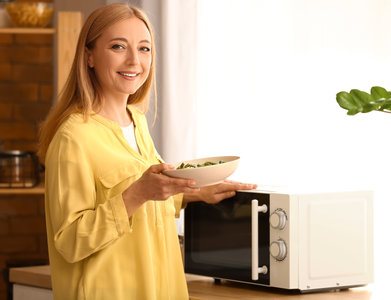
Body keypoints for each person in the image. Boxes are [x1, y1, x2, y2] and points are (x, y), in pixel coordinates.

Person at [38, 4, 256, 300]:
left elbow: (146, 201)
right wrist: (138, 193)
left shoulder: (137, 121)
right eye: (118, 46)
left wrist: (194, 192)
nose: (134, 61)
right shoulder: (73, 137)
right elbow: (70, 241)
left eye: (144, 49)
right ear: (88, 56)